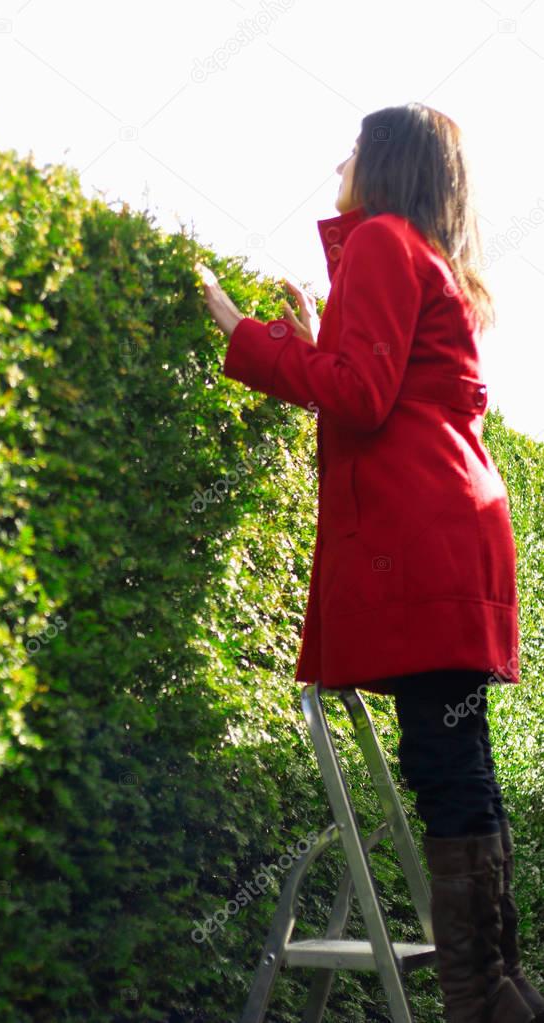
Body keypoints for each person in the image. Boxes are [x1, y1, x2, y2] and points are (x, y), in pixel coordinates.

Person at [196, 102, 543, 1023]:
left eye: (353, 148)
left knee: (444, 760)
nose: (339, 161)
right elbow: (375, 377)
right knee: (459, 760)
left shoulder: (385, 241)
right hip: (458, 527)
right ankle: (498, 991)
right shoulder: (424, 254)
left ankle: (475, 1001)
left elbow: (356, 395)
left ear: (384, 163)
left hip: (421, 534)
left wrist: (248, 335)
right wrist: (312, 339)